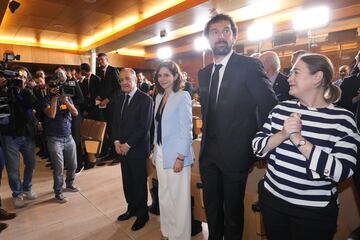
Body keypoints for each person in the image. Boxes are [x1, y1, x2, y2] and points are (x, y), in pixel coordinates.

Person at [252, 53, 360, 240]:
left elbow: (342, 171)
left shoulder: (342, 119)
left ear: (317, 77)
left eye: (296, 72)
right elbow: (257, 147)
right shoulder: (281, 109)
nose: (289, 78)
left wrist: (299, 140)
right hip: (273, 202)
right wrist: (283, 134)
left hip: (314, 211)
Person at [198, 14, 277, 239]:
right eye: (215, 32)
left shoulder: (249, 65)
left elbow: (270, 106)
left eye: (226, 31)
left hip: (236, 155)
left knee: (232, 212)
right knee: (211, 208)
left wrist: (261, 146)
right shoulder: (203, 74)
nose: (220, 36)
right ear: (208, 38)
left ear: (234, 36)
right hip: (208, 155)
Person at [152, 60, 193, 240]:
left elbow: (187, 130)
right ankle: (167, 231)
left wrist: (181, 157)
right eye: (160, 75)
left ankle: (180, 236)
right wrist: (154, 148)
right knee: (164, 193)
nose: (163, 79)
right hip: (160, 151)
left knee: (179, 198)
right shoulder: (159, 96)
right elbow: (156, 126)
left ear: (175, 76)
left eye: (167, 75)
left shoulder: (182, 96)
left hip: (177, 154)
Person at [113, 68, 153, 231]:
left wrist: (128, 145)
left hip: (136, 149)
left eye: (127, 79)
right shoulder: (118, 99)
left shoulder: (145, 100)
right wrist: (116, 142)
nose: (124, 83)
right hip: (121, 149)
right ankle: (132, 208)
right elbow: (114, 123)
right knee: (127, 181)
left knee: (138, 182)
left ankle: (143, 214)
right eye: (121, 80)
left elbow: (144, 127)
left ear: (135, 79)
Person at [1, 66, 38, 208]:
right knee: (13, 169)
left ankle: (27, 187)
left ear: (27, 79)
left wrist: (25, 89)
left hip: (27, 135)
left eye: (23, 77)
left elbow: (33, 105)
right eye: (17, 77)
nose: (20, 80)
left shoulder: (27, 92)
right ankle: (17, 193)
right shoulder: (4, 91)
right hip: (10, 136)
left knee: (31, 164)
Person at [42, 70, 80, 203]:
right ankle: (58, 191)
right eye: (52, 87)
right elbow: (51, 115)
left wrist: (64, 99)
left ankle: (69, 184)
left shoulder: (67, 97)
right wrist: (54, 98)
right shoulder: (45, 99)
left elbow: (75, 113)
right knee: (58, 168)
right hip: (54, 139)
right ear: (49, 88)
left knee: (73, 164)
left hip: (68, 137)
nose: (55, 89)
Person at [96, 53, 120, 162]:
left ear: (106, 59)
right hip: (104, 106)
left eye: (101, 59)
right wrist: (99, 96)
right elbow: (104, 88)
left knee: (114, 130)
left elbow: (118, 89)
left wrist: (107, 99)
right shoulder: (100, 72)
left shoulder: (113, 70)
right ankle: (111, 152)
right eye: (98, 60)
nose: (100, 62)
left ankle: (117, 154)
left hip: (113, 105)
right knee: (108, 130)